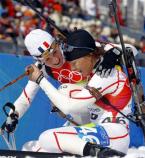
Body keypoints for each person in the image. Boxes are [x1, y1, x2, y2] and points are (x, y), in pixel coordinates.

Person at [21, 29, 133, 157]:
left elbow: (69, 107)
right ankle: (91, 151)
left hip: (114, 135)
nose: (73, 68)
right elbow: (27, 96)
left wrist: (114, 52)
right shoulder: (95, 72)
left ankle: (97, 153)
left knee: (47, 137)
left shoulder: (106, 74)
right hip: (97, 129)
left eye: (74, 63)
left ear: (88, 55)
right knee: (34, 150)